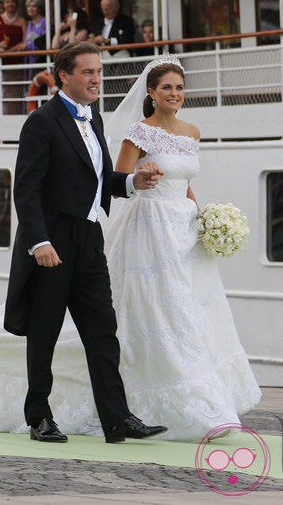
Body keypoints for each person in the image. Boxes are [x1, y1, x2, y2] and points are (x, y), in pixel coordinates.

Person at [4, 41, 168, 443]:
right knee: (44, 333)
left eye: (99, 71)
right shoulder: (41, 122)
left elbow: (99, 179)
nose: (97, 79)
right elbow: (25, 190)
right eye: (88, 72)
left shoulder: (93, 116)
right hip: (52, 244)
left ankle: (117, 419)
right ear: (65, 76)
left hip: (90, 239)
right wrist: (38, 241)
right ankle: (39, 417)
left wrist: (131, 182)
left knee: (102, 331)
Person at [103, 56, 261, 438]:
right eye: (167, 88)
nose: (175, 94)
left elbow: (186, 182)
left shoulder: (192, 132)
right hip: (151, 228)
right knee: (166, 312)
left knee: (194, 310)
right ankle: (187, 404)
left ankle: (206, 398)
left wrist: (204, 217)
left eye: (179, 87)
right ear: (152, 93)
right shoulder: (139, 132)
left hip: (185, 228)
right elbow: (119, 178)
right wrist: (140, 177)